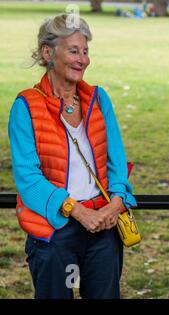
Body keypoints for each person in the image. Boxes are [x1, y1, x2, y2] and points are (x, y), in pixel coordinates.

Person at [8, 14, 137, 299]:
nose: (83, 59)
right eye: (74, 50)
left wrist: (115, 203)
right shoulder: (25, 106)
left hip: (103, 225)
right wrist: (76, 211)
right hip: (55, 231)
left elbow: (117, 163)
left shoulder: (99, 99)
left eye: (86, 51)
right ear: (47, 53)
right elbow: (28, 179)